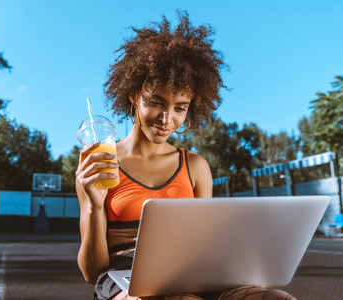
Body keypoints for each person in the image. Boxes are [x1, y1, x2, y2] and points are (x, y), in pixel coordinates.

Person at [76, 10, 297, 300]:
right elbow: (92, 273)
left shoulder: (195, 166)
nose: (167, 119)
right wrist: (94, 206)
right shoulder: (98, 165)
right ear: (133, 96)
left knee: (276, 298)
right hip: (123, 277)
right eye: (156, 102)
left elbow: (205, 245)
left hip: (189, 273)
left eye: (180, 107)